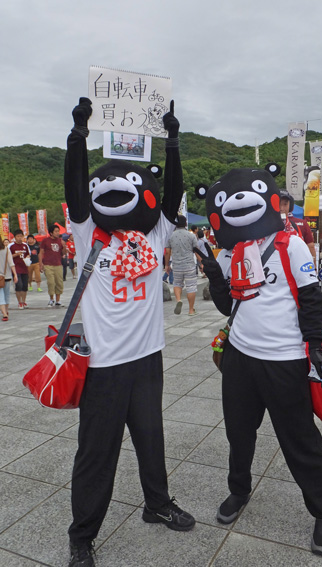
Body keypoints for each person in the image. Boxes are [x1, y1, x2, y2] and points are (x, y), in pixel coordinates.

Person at [64, 98, 194, 567]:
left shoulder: (154, 234)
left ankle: (156, 503)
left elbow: (173, 194)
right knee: (96, 453)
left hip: (147, 358)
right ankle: (82, 535)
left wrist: (172, 141)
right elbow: (76, 187)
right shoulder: (88, 233)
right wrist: (78, 136)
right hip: (103, 364)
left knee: (151, 437)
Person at [195, 163, 322, 556]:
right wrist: (215, 274)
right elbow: (228, 306)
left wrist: (315, 345)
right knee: (239, 433)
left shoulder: (289, 244)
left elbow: (312, 300)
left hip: (284, 359)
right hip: (240, 358)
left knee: (299, 439)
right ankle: (239, 490)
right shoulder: (230, 252)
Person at [164, 215, 198, 315]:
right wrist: (202, 264)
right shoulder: (191, 236)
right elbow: (196, 251)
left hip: (176, 265)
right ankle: (191, 310)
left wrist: (167, 265)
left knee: (177, 284)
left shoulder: (170, 236)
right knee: (191, 287)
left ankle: (179, 300)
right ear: (185, 223)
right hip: (189, 265)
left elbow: (167, 252)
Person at [280, 190, 316, 265]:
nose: (282, 208)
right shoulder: (266, 226)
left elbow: (310, 246)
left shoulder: (296, 226)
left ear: (290, 206)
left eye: (285, 204)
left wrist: (313, 266)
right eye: (279, 204)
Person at [39, 224, 66, 307]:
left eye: (58, 231)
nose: (58, 233)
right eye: (56, 231)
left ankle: (58, 300)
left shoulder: (60, 241)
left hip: (58, 264)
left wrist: (64, 246)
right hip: (48, 265)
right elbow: (41, 252)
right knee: (51, 282)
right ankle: (51, 299)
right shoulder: (45, 241)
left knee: (59, 282)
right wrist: (40, 264)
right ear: (51, 233)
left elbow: (63, 253)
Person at [9, 229, 30, 309]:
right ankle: (19, 302)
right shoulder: (11, 246)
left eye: (21, 236)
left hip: (24, 267)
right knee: (19, 285)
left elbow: (28, 254)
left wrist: (27, 258)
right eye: (18, 236)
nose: (19, 238)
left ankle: (24, 301)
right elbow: (8, 257)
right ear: (15, 237)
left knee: (25, 286)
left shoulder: (25, 245)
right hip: (16, 268)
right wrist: (16, 254)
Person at [0, 235, 18, 321]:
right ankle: (6, 311)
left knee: (1, 295)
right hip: (6, 275)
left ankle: (4, 314)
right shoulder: (6, 249)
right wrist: (15, 274)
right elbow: (11, 263)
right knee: (6, 294)